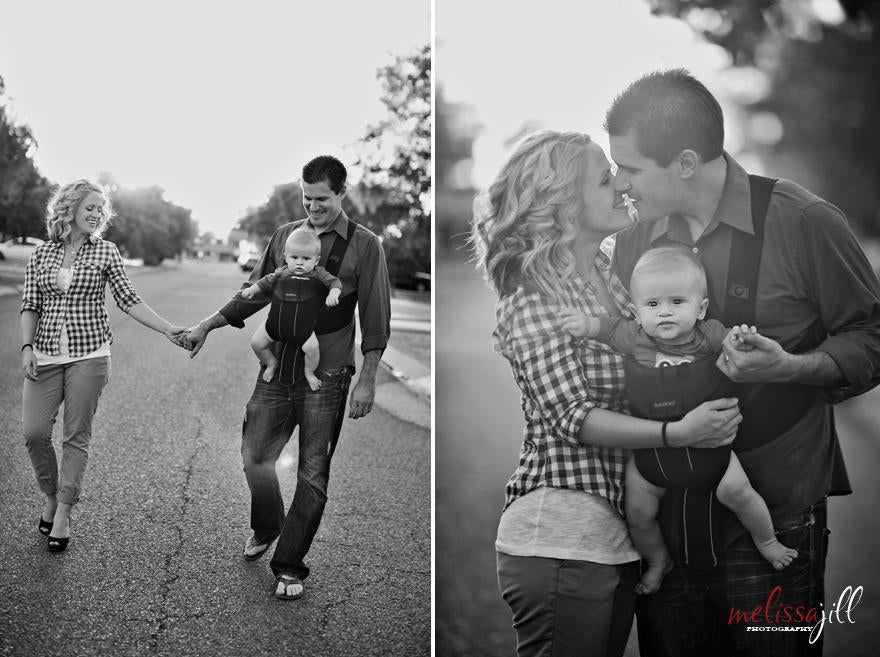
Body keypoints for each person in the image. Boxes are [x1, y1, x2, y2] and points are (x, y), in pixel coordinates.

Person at [605, 69, 880, 656]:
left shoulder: (804, 221)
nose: (619, 183)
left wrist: (791, 367)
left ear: (683, 162)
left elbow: (873, 335)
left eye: (630, 168)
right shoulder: (633, 240)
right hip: (669, 520)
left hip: (775, 516)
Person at [470, 130, 743, 657]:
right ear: (565, 206)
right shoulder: (531, 297)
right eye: (604, 178)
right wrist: (676, 433)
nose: (621, 184)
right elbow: (573, 415)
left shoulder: (614, 282)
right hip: (560, 538)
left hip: (613, 541)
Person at [182, 155, 391, 601]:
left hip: (328, 376)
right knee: (253, 453)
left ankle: (290, 565)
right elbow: (252, 295)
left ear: (341, 194)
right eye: (306, 197)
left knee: (313, 476)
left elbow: (376, 314)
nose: (312, 206)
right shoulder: (283, 237)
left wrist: (368, 377)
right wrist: (205, 325)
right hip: (277, 371)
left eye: (321, 199)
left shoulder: (365, 244)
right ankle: (267, 524)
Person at [562, 246, 797, 597]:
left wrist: (740, 339)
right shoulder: (634, 336)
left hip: (711, 448)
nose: (665, 312)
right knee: (639, 512)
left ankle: (767, 540)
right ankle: (658, 560)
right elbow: (609, 330)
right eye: (652, 305)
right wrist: (586, 325)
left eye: (676, 302)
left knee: (739, 492)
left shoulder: (709, 335)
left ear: (700, 308)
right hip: (652, 457)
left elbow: (732, 341)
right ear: (637, 312)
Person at [20, 179, 185, 552]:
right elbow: (30, 303)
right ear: (70, 208)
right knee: (33, 433)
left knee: (75, 436)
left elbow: (129, 299)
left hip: (90, 354)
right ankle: (50, 494)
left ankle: (62, 512)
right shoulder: (42, 254)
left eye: (101, 209)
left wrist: (166, 329)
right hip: (44, 354)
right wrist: (26, 347)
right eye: (90, 207)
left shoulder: (106, 252)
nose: (97, 214)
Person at [241, 227, 342, 390]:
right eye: (295, 257)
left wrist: (333, 294)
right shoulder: (281, 273)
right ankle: (271, 363)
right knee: (256, 343)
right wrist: (252, 290)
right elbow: (265, 281)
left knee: (312, 349)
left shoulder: (318, 274)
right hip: (273, 326)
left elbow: (335, 282)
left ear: (316, 260)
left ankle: (309, 373)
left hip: (304, 330)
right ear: (286, 257)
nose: (300, 262)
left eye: (306, 258)